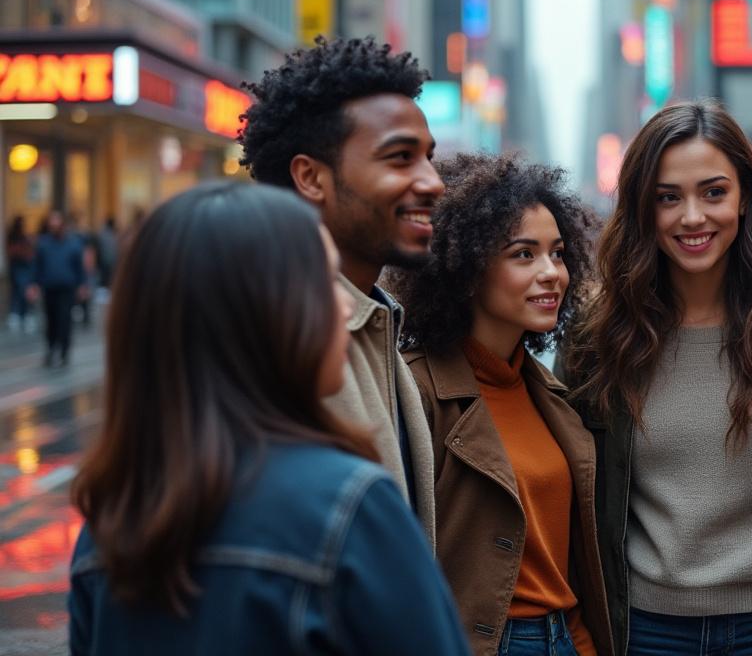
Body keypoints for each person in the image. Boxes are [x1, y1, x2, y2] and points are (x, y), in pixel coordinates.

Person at [67, 182, 470, 655]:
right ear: (259, 312)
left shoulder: (110, 526)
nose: (343, 307)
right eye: (323, 282)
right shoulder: (348, 506)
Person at [562, 100, 752, 656]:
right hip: (644, 629)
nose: (692, 217)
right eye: (668, 197)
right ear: (643, 209)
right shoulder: (597, 337)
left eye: (713, 192)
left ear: (744, 199)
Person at [386, 154, 611, 656]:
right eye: (524, 254)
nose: (552, 273)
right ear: (467, 268)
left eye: (557, 253)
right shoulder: (414, 391)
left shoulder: (550, 394)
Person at [238, 35, 443, 544]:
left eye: (428, 157)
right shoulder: (271, 336)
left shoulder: (375, 317)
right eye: (400, 158)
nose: (433, 181)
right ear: (311, 177)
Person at [30, 211, 89, 367]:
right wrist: (34, 284)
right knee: (51, 320)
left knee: (65, 320)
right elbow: (37, 265)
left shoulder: (73, 243)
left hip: (67, 288)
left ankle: (64, 351)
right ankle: (50, 349)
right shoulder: (43, 243)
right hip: (49, 288)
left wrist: (82, 285)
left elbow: (79, 267)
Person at [5, 217, 35, 333]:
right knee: (19, 290)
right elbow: (13, 251)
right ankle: (18, 315)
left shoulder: (24, 237)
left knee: (24, 290)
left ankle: (23, 315)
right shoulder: (14, 237)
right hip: (17, 267)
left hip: (25, 267)